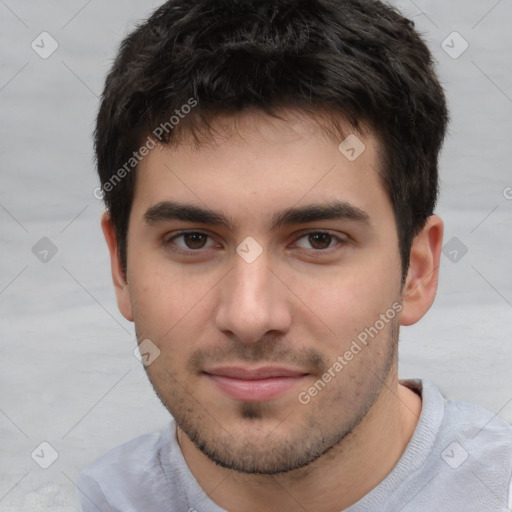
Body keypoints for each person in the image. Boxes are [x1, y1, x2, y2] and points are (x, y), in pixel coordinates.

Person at [77, 0, 512, 510]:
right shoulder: (100, 499)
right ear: (121, 267)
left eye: (318, 240)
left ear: (417, 271)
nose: (249, 316)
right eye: (193, 239)